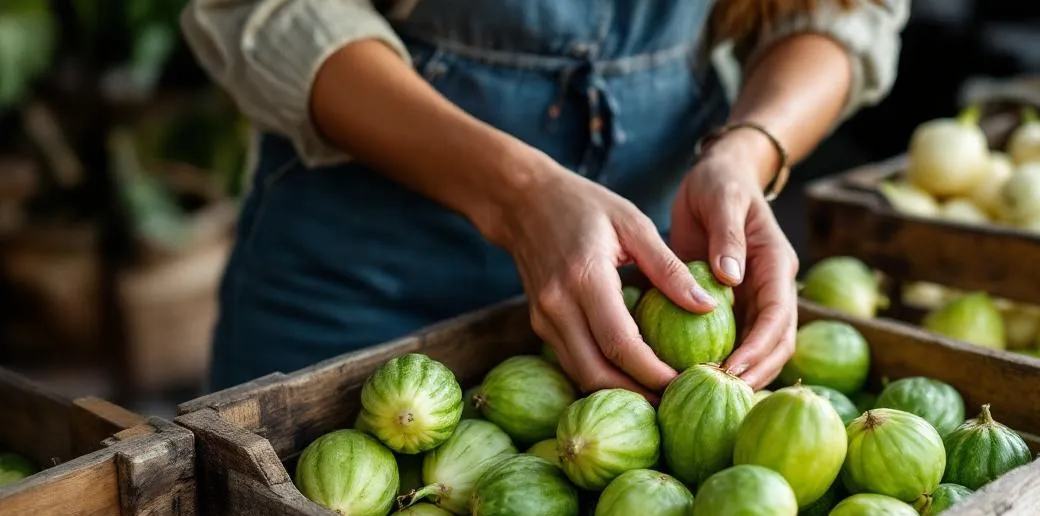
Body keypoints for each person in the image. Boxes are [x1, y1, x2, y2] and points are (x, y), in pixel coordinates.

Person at [181, 0, 909, 396]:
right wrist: (518, 193)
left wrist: (746, 152)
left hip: (638, 287)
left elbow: (845, 10)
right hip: (356, 287)